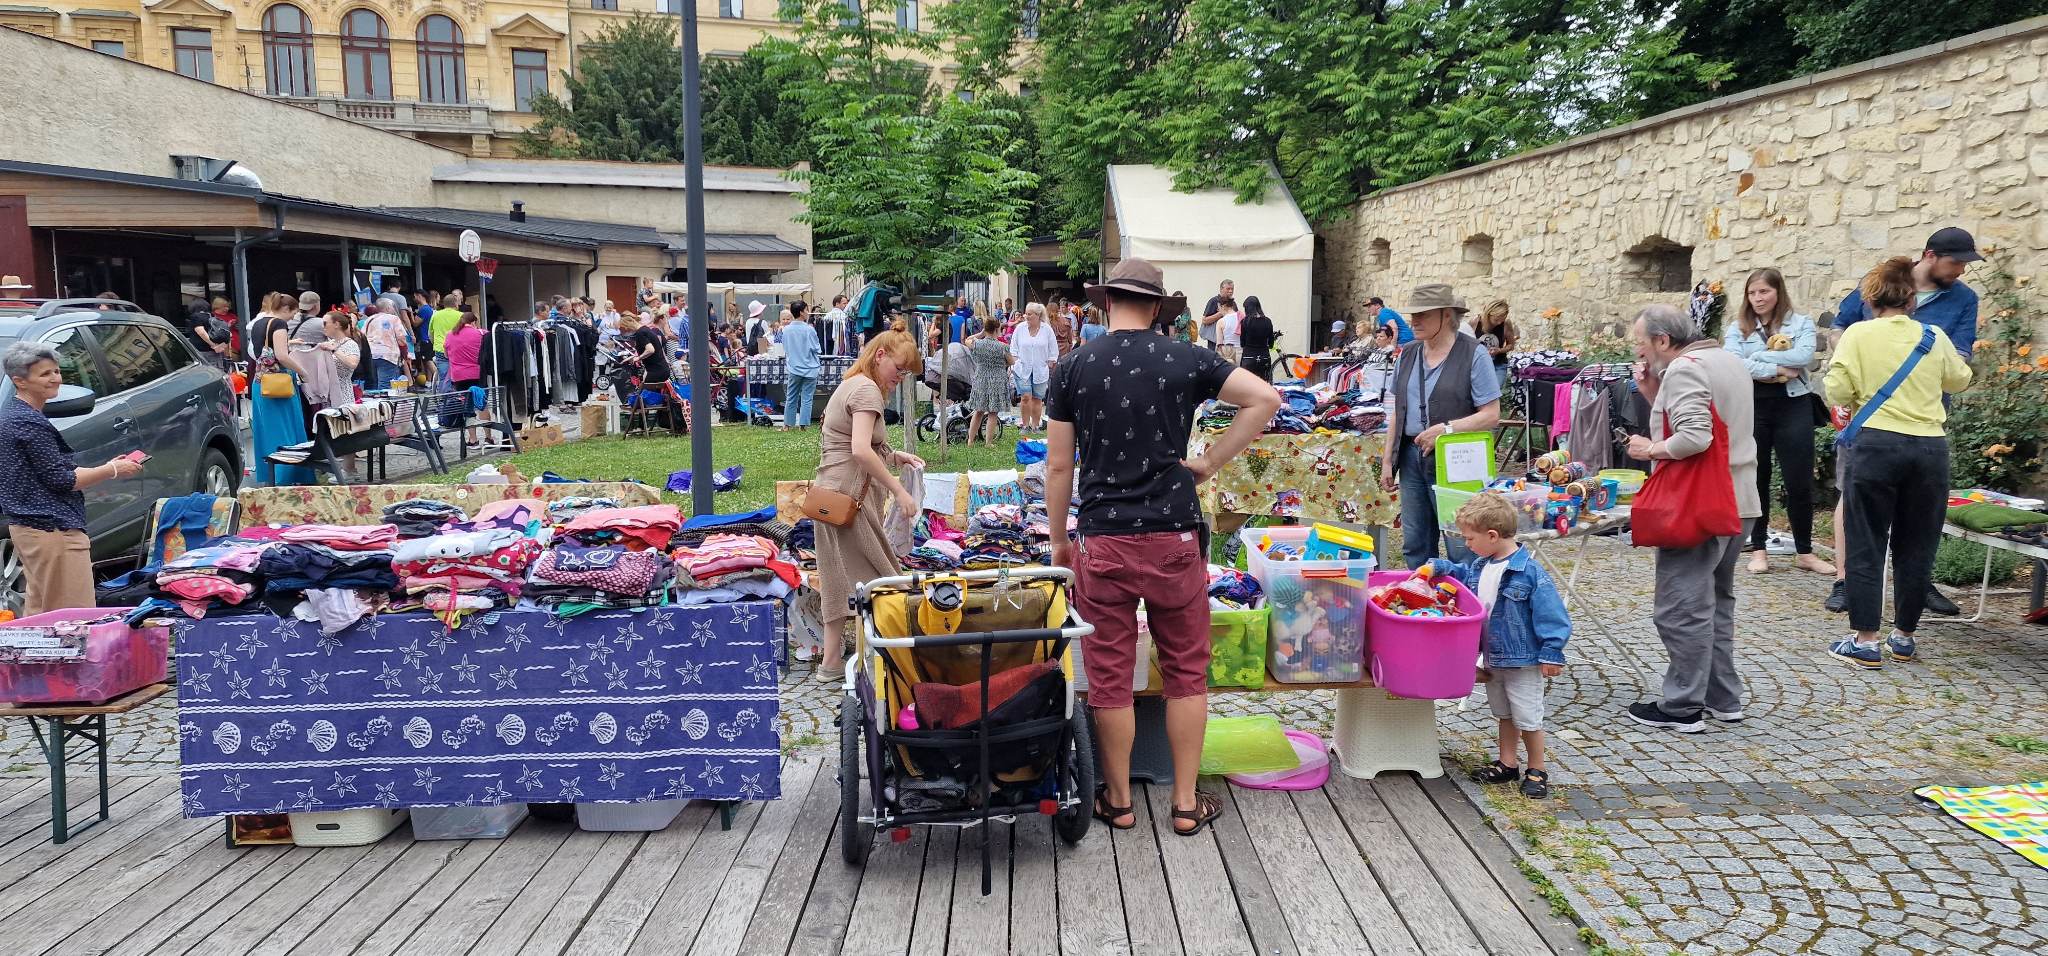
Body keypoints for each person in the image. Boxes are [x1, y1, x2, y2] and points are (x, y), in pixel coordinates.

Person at [1046, 257, 1280, 838]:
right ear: (1156, 309)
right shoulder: (1187, 358)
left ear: (1106, 304)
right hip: (1174, 536)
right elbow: (1266, 400)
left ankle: (1119, 801)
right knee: (1186, 674)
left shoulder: (1074, 366)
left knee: (1108, 675)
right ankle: (1182, 802)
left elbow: (1056, 465)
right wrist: (1208, 462)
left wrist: (1057, 540)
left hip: (1103, 539)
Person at [1822, 226, 1983, 616]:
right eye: (1956, 261)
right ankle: (1846, 581)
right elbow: (1839, 326)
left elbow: (1961, 355)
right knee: (1853, 499)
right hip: (1868, 417)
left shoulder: (1964, 298)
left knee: (1910, 522)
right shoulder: (1878, 281)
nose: (1961, 269)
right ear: (1930, 255)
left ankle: (1902, 600)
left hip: (1919, 414)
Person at [1623, 304, 1758, 733]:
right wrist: (1651, 393)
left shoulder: (1685, 370)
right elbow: (1707, 424)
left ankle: (1682, 707)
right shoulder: (1727, 360)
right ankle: (1724, 698)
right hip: (1741, 499)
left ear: (1663, 341)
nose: (1640, 353)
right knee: (1715, 603)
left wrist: (1649, 449)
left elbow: (1695, 438)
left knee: (1681, 608)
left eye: (1642, 344)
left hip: (1700, 504)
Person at [1432, 493, 1571, 799]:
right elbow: (1462, 574)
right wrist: (1439, 567)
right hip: (1493, 658)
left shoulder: (1528, 571)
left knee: (1528, 717)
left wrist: (1552, 650)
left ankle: (1537, 768)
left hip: (1523, 661)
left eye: (1470, 538)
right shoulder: (1482, 565)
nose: (1467, 544)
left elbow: (1552, 613)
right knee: (1504, 714)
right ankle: (1508, 763)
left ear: (1492, 536)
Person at [813, 330, 926, 682]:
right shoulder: (867, 390)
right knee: (888, 581)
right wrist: (900, 491)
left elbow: (852, 445)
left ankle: (830, 664)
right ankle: (908, 664)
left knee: (835, 580)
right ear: (880, 356)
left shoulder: (852, 383)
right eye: (900, 367)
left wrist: (894, 456)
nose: (901, 376)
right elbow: (860, 450)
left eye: (906, 372)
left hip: (829, 499)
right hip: (852, 501)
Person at [0, 342, 145, 614]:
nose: (55, 378)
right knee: (71, 618)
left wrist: (107, 466)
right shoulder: (27, 422)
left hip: (32, 527)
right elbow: (63, 480)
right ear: (19, 381)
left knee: (42, 611)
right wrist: (114, 470)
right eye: (44, 374)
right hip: (51, 528)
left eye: (56, 371)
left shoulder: (16, 416)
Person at [1379, 284, 1503, 569]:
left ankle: (1467, 607)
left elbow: (1491, 415)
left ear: (1447, 315)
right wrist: (1388, 460)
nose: (1415, 321)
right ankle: (1422, 602)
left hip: (1458, 459)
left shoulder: (1474, 354)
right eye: (1413, 314)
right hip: (1411, 458)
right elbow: (1397, 412)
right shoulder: (1407, 354)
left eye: (1423, 314)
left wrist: (1446, 429)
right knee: (1415, 543)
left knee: (1464, 543)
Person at [1722, 268, 1831, 576]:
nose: (1758, 298)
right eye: (1752, 293)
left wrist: (1762, 361)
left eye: (1764, 292)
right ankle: (1758, 549)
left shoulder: (1801, 323)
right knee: (1756, 479)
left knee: (1799, 480)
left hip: (1793, 404)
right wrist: (1778, 367)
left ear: (1778, 292)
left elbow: (1804, 355)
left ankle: (1805, 552)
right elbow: (1733, 362)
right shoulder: (1737, 328)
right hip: (1753, 406)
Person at [250, 292, 314, 486]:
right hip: (279, 383)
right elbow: (282, 356)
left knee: (267, 429)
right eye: (293, 314)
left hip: (261, 382)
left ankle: (270, 475)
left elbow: (260, 350)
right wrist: (304, 372)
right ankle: (288, 476)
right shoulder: (279, 324)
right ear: (285, 309)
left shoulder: (258, 323)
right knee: (286, 429)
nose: (292, 318)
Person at [1009, 302, 1058, 433]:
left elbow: (1053, 348)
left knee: (1037, 398)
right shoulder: (1020, 328)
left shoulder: (1047, 330)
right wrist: (1015, 361)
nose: (1026, 316)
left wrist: (1051, 361)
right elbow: (1013, 347)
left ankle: (1035, 426)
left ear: (1037, 315)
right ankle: (1025, 425)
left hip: (1040, 369)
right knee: (1025, 397)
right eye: (1026, 313)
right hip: (1022, 368)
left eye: (1029, 314)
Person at [966, 316, 1014, 446]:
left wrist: (980, 334)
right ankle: (988, 442)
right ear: (997, 329)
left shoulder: (977, 343)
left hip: (980, 378)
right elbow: (1012, 361)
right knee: (993, 412)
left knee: (978, 410)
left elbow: (967, 340)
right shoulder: (1003, 347)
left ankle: (970, 440)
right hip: (997, 379)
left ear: (985, 329)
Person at [444, 310, 487, 446]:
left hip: (459, 376)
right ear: (474, 322)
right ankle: (489, 437)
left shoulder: (450, 335)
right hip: (478, 374)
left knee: (467, 407)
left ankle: (473, 439)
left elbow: (446, 355)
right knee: (483, 404)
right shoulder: (481, 333)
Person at [780, 305, 822, 431]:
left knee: (791, 396)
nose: (808, 312)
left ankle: (787, 425)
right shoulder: (809, 329)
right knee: (807, 398)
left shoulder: (786, 330)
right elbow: (817, 348)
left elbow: (785, 348)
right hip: (810, 367)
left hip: (794, 367)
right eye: (806, 310)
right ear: (801, 312)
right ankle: (803, 425)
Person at [1472, 299, 1518, 395]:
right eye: (1496, 319)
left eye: (1502, 319)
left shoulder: (1506, 324)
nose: (1499, 323)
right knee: (1479, 394)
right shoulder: (1475, 322)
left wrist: (1500, 350)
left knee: (1493, 393)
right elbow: (1466, 344)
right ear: (1489, 314)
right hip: (1479, 366)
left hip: (1498, 365)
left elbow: (1511, 345)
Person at [364, 300, 412, 390]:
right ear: (388, 308)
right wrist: (405, 355)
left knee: (373, 385)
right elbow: (401, 340)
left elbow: (363, 337)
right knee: (385, 385)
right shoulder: (394, 319)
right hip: (388, 355)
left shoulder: (369, 320)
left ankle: (374, 403)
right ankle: (384, 403)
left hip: (370, 355)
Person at [428, 291, 464, 384]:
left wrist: (435, 343)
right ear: (455, 303)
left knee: (444, 377)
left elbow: (430, 333)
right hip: (457, 349)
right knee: (458, 377)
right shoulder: (460, 316)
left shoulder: (435, 315)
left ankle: (444, 398)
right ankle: (456, 397)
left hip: (440, 349)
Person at [1239, 296, 1277, 382]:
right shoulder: (1268, 321)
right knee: (1264, 384)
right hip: (1264, 357)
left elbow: (1242, 342)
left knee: (1246, 385)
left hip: (1249, 357)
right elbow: (1271, 343)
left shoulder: (1245, 322)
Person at [1200, 278, 1234, 350]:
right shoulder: (1214, 301)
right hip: (1214, 342)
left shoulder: (1233, 303)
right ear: (1221, 289)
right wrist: (1221, 313)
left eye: (1232, 289)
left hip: (1229, 341)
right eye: (1228, 289)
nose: (1230, 291)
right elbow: (1204, 320)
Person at [1214, 296, 1243, 365]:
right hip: (1241, 352)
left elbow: (1219, 344)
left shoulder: (1221, 321)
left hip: (1227, 353)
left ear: (1223, 306)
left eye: (1219, 307)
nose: (1218, 310)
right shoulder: (1241, 317)